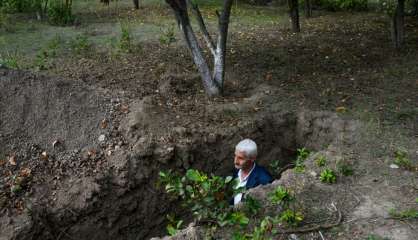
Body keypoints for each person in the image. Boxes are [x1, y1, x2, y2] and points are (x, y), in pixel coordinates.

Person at [232, 139, 273, 205]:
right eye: (235, 155)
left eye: (241, 158)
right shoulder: (236, 171)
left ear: (252, 158)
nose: (235, 161)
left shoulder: (264, 180)